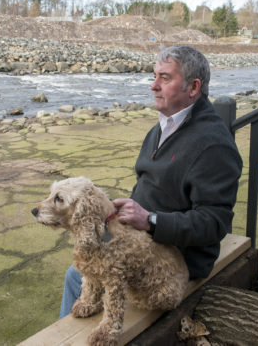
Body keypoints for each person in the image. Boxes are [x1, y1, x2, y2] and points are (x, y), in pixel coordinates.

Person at [59, 45, 242, 319]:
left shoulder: (213, 145)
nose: (153, 86)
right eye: (154, 76)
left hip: (175, 260)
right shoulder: (164, 126)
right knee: (85, 257)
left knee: (77, 275)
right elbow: (147, 186)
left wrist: (151, 220)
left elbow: (214, 223)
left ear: (193, 87)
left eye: (165, 78)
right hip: (141, 240)